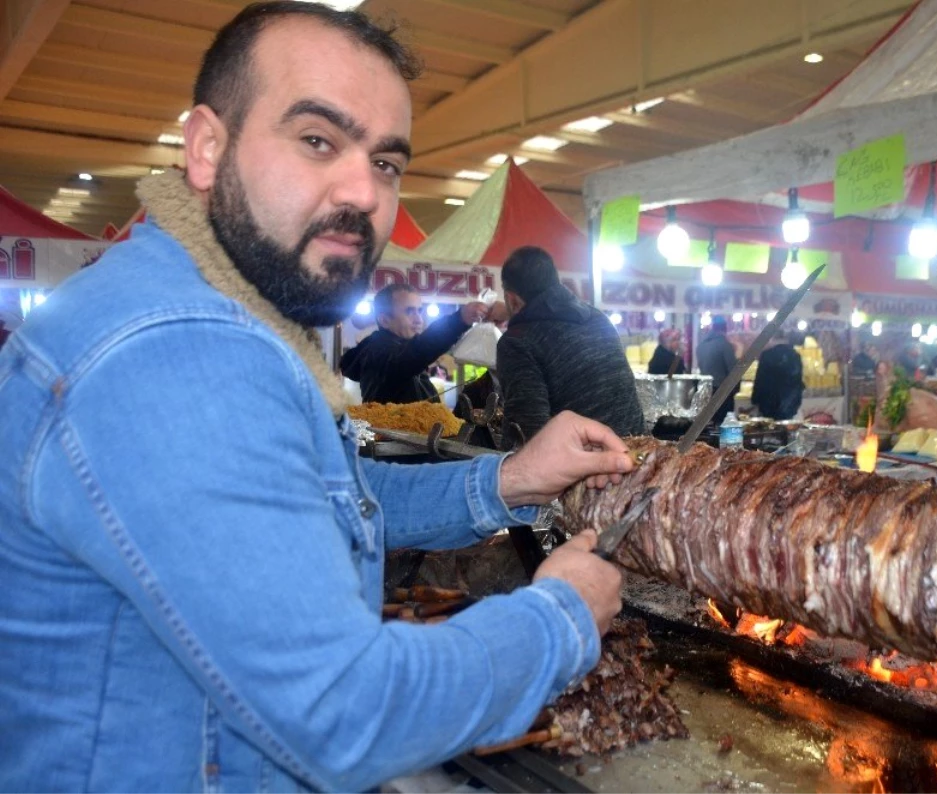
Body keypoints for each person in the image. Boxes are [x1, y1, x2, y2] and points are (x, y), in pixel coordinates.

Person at [0, 5, 633, 792]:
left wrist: (509, 479)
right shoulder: (175, 350)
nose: (362, 193)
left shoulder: (230, 318)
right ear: (207, 148)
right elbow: (342, 711)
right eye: (317, 141)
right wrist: (559, 618)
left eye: (388, 163)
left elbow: (327, 502)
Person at [496, 245, 645, 446]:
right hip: (637, 455)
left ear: (511, 299)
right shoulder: (597, 318)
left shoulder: (517, 341)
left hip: (589, 468)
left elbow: (526, 432)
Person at [340, 282, 488, 403]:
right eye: (409, 312)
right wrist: (459, 320)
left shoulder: (400, 351)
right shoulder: (378, 351)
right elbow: (416, 352)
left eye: (419, 311)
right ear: (384, 320)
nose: (419, 320)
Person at [751, 329, 804, 420]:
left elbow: (760, 379)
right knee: (786, 429)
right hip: (789, 402)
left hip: (768, 402)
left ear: (772, 338)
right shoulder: (795, 356)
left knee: (770, 429)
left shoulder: (766, 355)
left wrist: (755, 399)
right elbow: (798, 380)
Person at [697, 315, 738, 424]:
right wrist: (735, 390)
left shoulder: (701, 345)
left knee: (708, 424)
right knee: (723, 425)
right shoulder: (724, 345)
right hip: (722, 392)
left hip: (705, 391)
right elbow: (734, 371)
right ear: (725, 329)